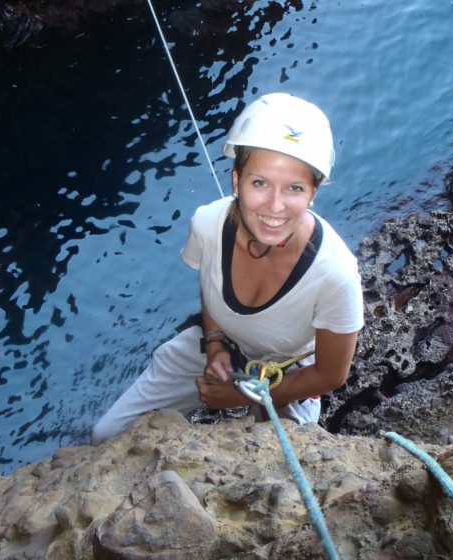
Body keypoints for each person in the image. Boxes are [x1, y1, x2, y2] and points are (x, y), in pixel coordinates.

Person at [92, 93, 364, 444]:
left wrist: (238, 397)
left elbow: (330, 374)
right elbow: (211, 286)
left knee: (285, 472)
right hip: (217, 343)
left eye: (294, 188)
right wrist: (216, 344)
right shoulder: (208, 224)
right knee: (107, 435)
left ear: (313, 192)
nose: (275, 206)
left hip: (286, 369)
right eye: (259, 183)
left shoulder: (335, 274)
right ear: (236, 180)